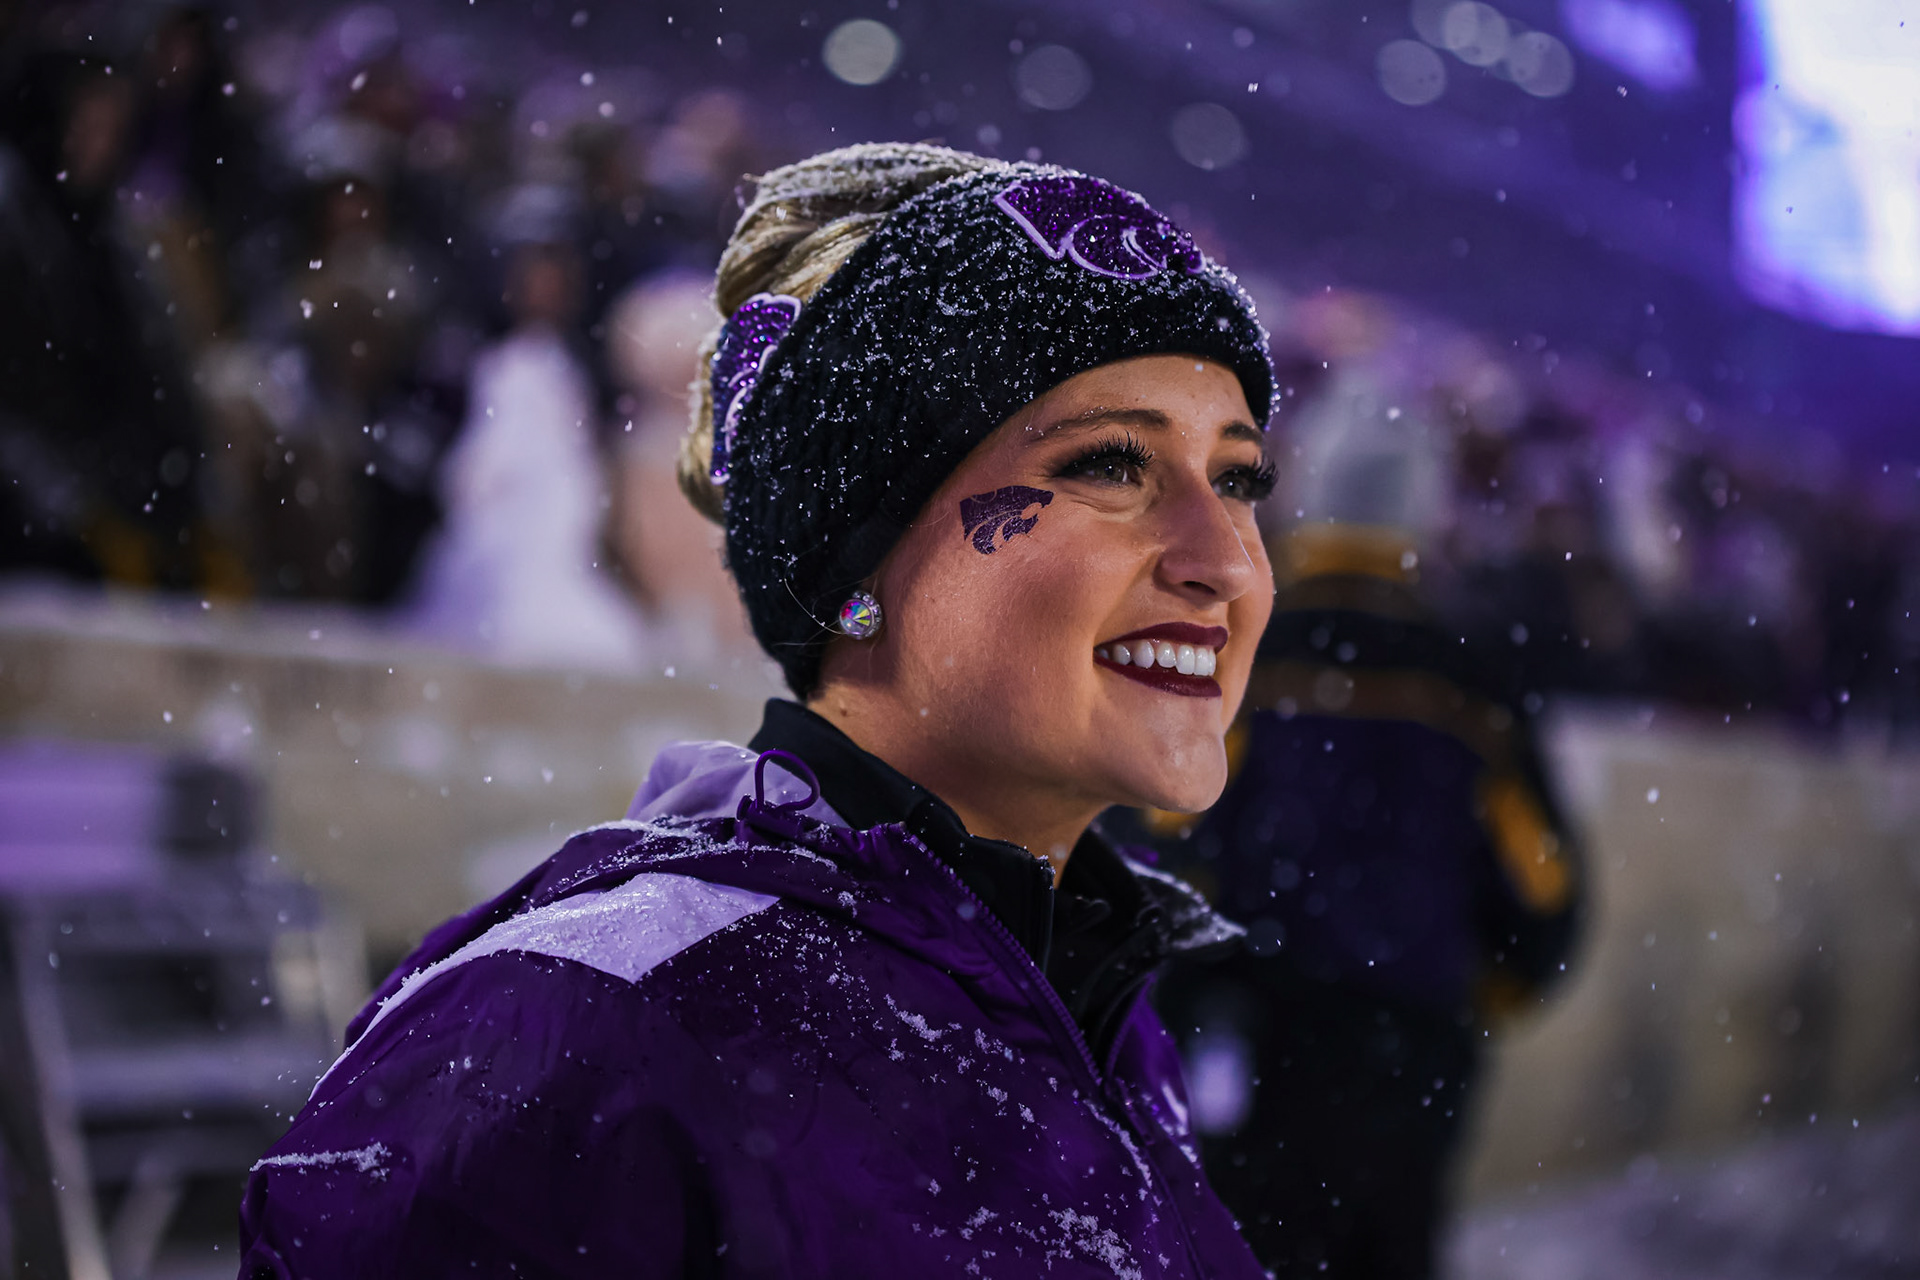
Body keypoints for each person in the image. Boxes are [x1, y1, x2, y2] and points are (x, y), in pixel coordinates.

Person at [236, 143, 1280, 1276]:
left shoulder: (1094, 1006)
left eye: (1238, 479)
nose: (1225, 560)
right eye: (1113, 462)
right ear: (865, 555)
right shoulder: (583, 1019)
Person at [1145, 503, 1584, 1279]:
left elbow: (1160, 844)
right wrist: (1481, 993)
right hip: (1412, 1052)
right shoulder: (1472, 681)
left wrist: (1190, 996)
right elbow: (1547, 896)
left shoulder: (1229, 650)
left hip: (1254, 1045)